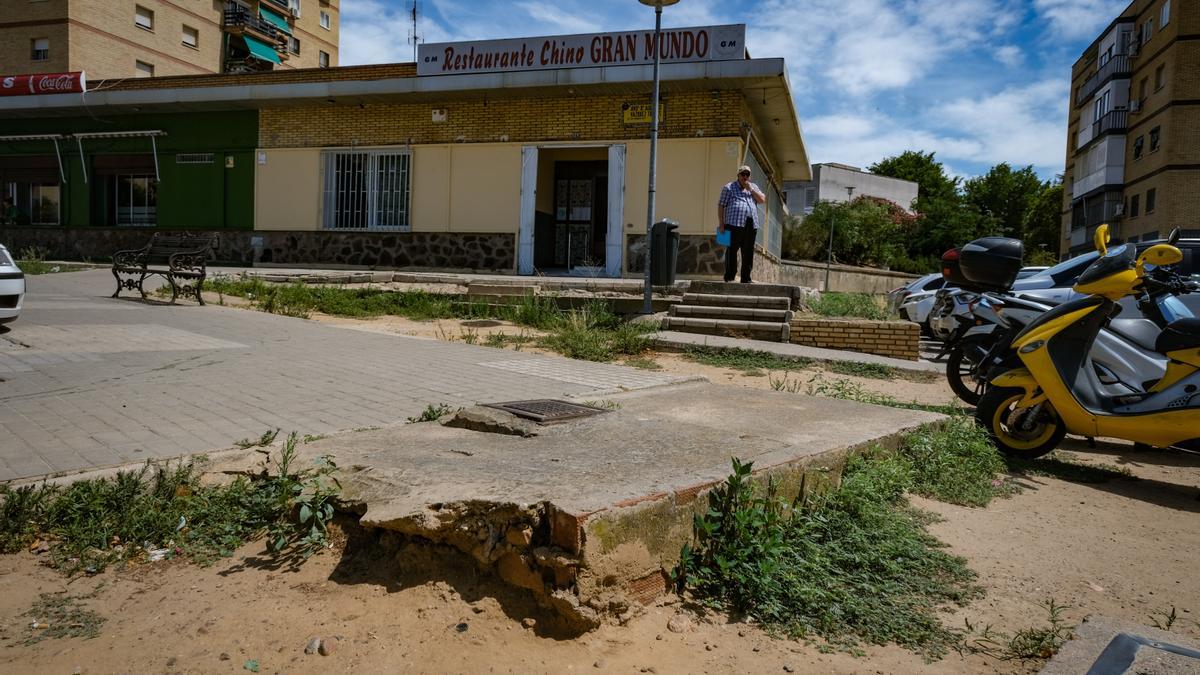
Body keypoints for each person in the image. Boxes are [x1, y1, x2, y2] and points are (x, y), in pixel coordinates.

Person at [717, 165, 766, 283]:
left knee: (748, 251)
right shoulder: (729, 187)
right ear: (738, 175)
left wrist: (751, 190)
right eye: (743, 174)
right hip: (733, 223)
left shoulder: (753, 187)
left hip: (751, 224)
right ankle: (729, 277)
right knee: (731, 250)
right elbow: (721, 205)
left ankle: (746, 278)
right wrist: (721, 223)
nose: (745, 177)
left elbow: (762, 200)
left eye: (747, 174)